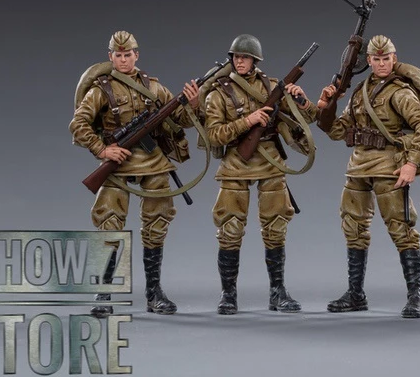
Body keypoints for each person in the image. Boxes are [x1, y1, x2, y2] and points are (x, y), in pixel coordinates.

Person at [70, 30, 200, 316]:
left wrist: (193, 104)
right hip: (118, 164)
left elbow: (178, 119)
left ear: (136, 55)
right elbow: (78, 124)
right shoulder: (101, 89)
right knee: (109, 226)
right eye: (118, 55)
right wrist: (102, 150)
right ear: (110, 56)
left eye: (128, 55)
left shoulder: (153, 87)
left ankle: (154, 292)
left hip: (153, 162)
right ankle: (104, 292)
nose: (124, 60)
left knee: (157, 225)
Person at [317, 35, 420, 318]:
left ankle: (415, 295)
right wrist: (324, 108)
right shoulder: (359, 92)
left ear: (394, 59)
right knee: (353, 228)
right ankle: (355, 294)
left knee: (402, 229)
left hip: (388, 167)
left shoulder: (400, 92)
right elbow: (338, 130)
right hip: (358, 166)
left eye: (386, 59)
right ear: (368, 61)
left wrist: (412, 163)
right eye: (377, 59)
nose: (382, 64)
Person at [204, 34, 316, 315]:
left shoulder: (273, 86)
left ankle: (278, 291)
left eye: (245, 57)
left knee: (276, 227)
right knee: (229, 228)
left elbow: (308, 119)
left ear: (255, 60)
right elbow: (213, 135)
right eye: (236, 57)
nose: (240, 61)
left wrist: (301, 100)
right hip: (235, 162)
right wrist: (248, 121)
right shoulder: (219, 92)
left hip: (270, 160)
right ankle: (228, 294)